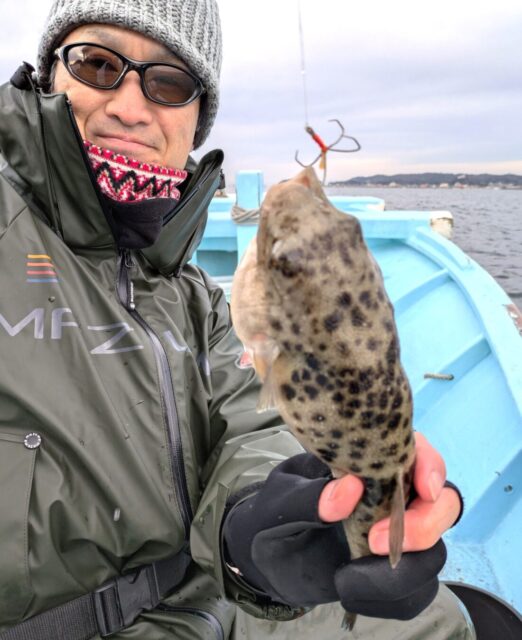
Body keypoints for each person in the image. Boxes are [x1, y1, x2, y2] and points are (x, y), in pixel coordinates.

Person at [0, 1, 474, 639]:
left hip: (204, 596)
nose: (131, 107)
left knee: (442, 620)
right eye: (97, 64)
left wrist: (265, 526)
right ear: (48, 75)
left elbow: (250, 426)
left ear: (196, 119)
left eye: (169, 83)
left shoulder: (191, 293)